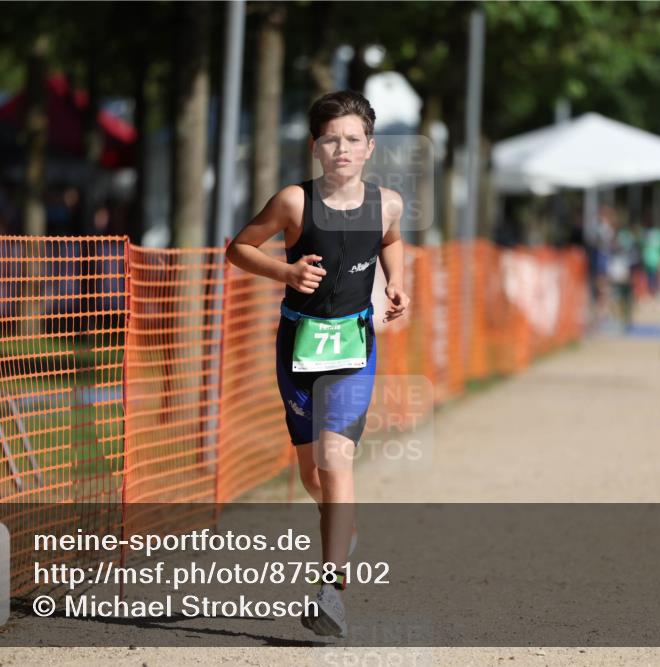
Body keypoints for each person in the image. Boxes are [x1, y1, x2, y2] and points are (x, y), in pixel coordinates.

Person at [225, 90, 408, 638]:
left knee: (336, 460)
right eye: (331, 139)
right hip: (298, 346)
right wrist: (284, 274)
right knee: (313, 475)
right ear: (315, 147)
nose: (342, 149)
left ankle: (332, 590)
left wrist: (396, 280)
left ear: (370, 147)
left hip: (353, 349)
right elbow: (238, 248)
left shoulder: (389, 204)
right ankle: (340, 526)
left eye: (353, 139)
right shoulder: (293, 203)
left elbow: (391, 241)